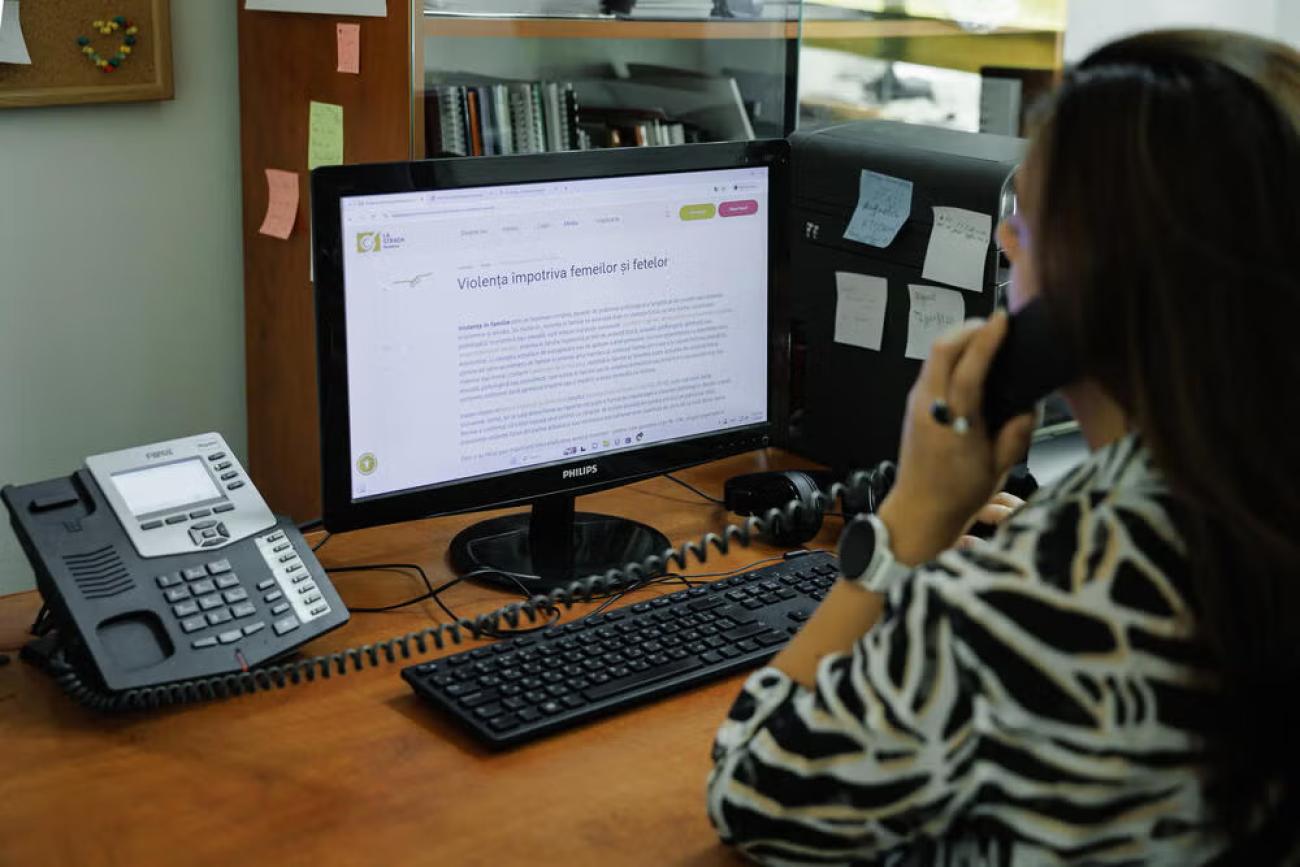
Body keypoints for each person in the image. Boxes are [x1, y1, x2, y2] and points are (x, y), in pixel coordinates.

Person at [706, 29, 1300, 865]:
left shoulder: (1057, 589)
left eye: (1027, 224)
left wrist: (914, 516)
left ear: (1099, 282)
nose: (1004, 244)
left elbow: (756, 791)